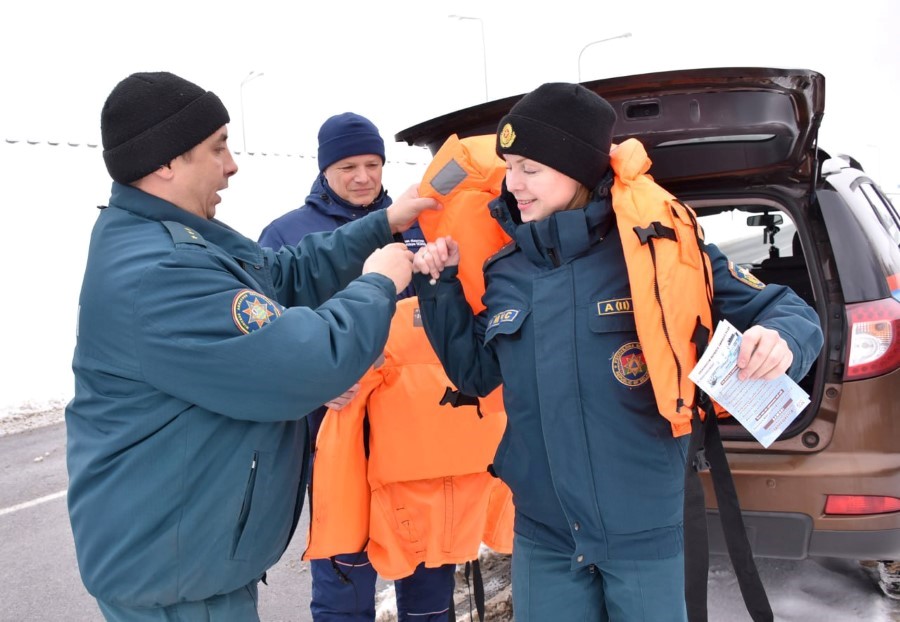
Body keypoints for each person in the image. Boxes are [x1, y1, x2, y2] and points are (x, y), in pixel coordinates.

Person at [410, 83, 824, 621]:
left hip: (645, 531)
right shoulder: (507, 270)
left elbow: (786, 310)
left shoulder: (658, 249)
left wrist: (781, 340)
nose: (513, 184)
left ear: (578, 170)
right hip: (544, 534)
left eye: (530, 168)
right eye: (509, 167)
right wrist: (439, 289)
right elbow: (473, 375)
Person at [65, 72, 436, 622]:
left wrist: (381, 224)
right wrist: (379, 282)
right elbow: (307, 364)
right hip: (178, 580)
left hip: (186, 557)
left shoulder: (169, 236)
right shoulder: (162, 269)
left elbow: (278, 275)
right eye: (217, 148)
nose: (232, 165)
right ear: (165, 162)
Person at [259, 113, 503, 622]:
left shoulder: (418, 224)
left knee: (428, 569)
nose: (363, 177)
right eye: (348, 166)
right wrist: (313, 385)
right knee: (345, 575)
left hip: (422, 433)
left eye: (373, 164)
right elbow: (266, 332)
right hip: (339, 431)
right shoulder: (286, 235)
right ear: (324, 168)